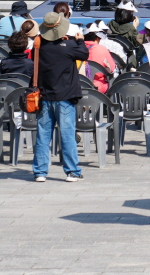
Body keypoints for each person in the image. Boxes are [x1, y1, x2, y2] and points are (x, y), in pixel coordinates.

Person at [32, 11, 89, 182]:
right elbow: (84, 54)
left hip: (44, 95)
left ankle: (40, 172)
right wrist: (80, 40)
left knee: (43, 135)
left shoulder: (38, 46)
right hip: (65, 96)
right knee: (67, 135)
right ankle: (72, 171)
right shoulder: (69, 46)